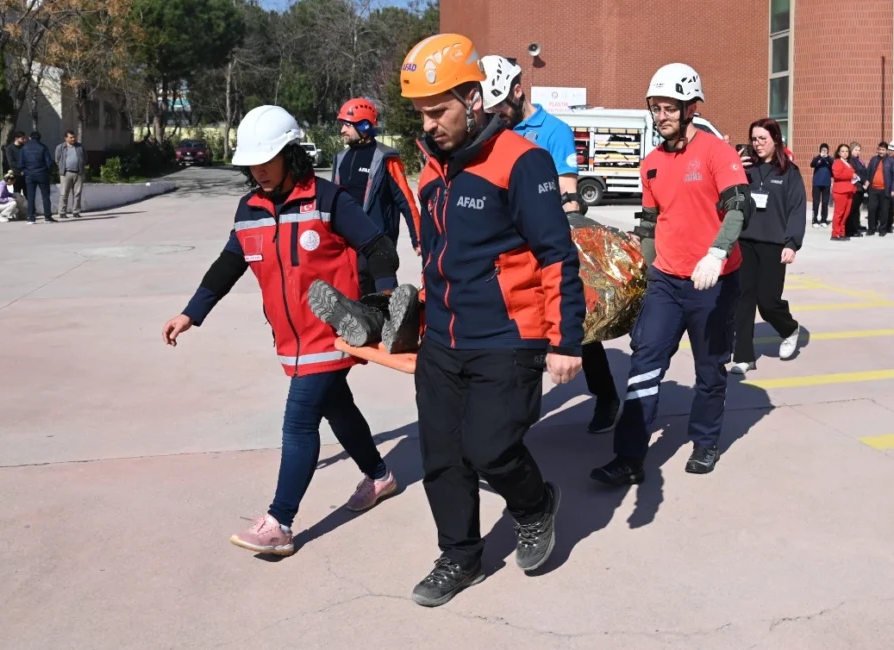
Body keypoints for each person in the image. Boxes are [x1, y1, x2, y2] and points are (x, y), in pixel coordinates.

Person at [160, 105, 402, 557]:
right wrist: (192, 312)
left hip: (334, 331)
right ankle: (380, 476)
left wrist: (386, 297)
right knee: (338, 407)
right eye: (252, 164)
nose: (259, 171)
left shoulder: (329, 198)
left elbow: (377, 246)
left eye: (267, 161)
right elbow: (230, 263)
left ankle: (280, 522)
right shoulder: (249, 208)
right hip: (289, 338)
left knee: (299, 421)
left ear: (292, 154)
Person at [398, 33, 586, 607]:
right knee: (442, 456)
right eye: (421, 114)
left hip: (509, 336)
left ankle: (534, 506)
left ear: (473, 99)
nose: (429, 125)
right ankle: (460, 555)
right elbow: (437, 259)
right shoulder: (433, 173)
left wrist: (566, 339)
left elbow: (557, 253)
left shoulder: (522, 163)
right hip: (443, 342)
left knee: (491, 448)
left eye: (439, 111)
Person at [590, 62, 753, 487]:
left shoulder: (718, 152)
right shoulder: (651, 164)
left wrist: (717, 253)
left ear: (690, 109)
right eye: (655, 107)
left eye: (669, 108)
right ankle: (629, 458)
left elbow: (739, 206)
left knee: (710, 367)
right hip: (666, 279)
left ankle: (704, 441)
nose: (661, 116)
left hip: (713, 280)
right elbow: (649, 224)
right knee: (645, 362)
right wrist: (641, 276)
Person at [479, 54, 620, 434]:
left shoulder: (553, 130)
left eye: (501, 109)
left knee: (574, 326)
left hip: (545, 246)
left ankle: (605, 396)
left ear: (517, 91)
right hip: (506, 252)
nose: (497, 117)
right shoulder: (491, 131)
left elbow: (568, 194)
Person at [730, 118, 804, 374]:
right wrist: (734, 170)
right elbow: (725, 195)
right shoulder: (744, 169)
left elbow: (797, 209)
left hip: (774, 244)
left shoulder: (789, 173)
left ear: (776, 140)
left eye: (763, 139)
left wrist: (792, 242)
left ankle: (789, 328)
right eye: (754, 139)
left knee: (768, 301)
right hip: (745, 241)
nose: (758, 144)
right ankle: (743, 356)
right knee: (743, 298)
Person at [332, 97, 421, 293]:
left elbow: (405, 200)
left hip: (379, 247)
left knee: (385, 308)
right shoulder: (340, 158)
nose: (342, 131)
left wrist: (418, 239)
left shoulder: (386, 157)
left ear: (363, 125)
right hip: (347, 248)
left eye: (346, 125)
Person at [864, 141, 894, 237]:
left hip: (885, 190)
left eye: (883, 150)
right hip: (873, 189)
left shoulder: (891, 161)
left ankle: (882, 229)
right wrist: (866, 184)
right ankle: (871, 229)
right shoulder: (873, 159)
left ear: (887, 150)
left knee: (884, 210)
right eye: (879, 149)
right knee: (871, 209)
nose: (881, 151)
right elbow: (869, 172)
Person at [20, 131, 56, 224]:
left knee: (31, 197)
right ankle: (47, 217)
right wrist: (47, 171)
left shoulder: (24, 148)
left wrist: (25, 170)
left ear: (30, 138)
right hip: (42, 174)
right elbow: (49, 162)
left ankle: (31, 218)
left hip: (29, 175)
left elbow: (20, 164)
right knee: (45, 196)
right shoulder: (43, 147)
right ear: (39, 138)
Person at [54, 131, 85, 219]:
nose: (73, 139)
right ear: (66, 138)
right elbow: (57, 159)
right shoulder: (60, 147)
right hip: (66, 173)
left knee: (77, 193)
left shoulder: (79, 147)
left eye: (74, 137)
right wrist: (62, 168)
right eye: (71, 137)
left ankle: (76, 211)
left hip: (78, 173)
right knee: (64, 193)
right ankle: (62, 212)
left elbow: (84, 158)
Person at [830, 144, 856, 242]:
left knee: (845, 213)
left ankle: (841, 232)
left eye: (846, 151)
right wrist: (851, 175)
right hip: (840, 191)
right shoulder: (837, 162)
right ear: (839, 152)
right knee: (839, 213)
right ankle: (835, 233)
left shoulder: (848, 163)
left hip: (849, 190)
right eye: (843, 151)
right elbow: (837, 175)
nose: (845, 153)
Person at [847, 142, 868, 238]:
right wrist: (864, 181)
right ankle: (851, 229)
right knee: (853, 209)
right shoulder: (851, 160)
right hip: (856, 186)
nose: (857, 152)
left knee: (857, 209)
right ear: (851, 150)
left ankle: (856, 225)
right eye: (855, 150)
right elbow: (856, 173)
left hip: (861, 187)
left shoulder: (859, 160)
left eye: (859, 150)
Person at [809, 143, 832, 228]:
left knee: (825, 203)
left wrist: (827, 157)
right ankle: (814, 220)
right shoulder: (817, 159)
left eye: (825, 150)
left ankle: (824, 220)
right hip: (817, 183)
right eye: (822, 150)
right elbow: (812, 164)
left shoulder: (829, 159)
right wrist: (820, 156)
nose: (824, 151)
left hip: (826, 184)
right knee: (816, 202)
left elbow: (833, 164)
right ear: (820, 150)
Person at [4, 131, 27, 198]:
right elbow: (11, 162)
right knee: (17, 193)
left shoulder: (25, 147)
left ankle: (29, 208)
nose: (24, 140)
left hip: (26, 173)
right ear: (16, 138)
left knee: (27, 193)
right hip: (16, 174)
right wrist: (20, 171)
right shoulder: (10, 149)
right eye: (22, 138)